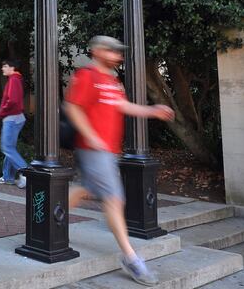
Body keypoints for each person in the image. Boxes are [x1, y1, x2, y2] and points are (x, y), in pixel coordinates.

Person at [65, 36, 174, 286]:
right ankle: (131, 257)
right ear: (96, 51)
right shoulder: (86, 75)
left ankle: (51, 217)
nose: (117, 55)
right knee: (114, 199)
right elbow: (72, 107)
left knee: (89, 190)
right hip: (94, 150)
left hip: (108, 151)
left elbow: (122, 106)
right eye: (112, 51)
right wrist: (92, 137)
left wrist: (151, 111)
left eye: (118, 52)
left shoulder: (113, 81)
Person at [0, 59, 28, 189]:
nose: (3, 68)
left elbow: (13, 101)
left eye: (5, 66)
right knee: (10, 149)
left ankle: (26, 172)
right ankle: (8, 177)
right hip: (17, 117)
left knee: (7, 148)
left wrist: (2, 111)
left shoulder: (14, 80)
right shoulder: (15, 79)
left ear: (12, 68)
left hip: (12, 118)